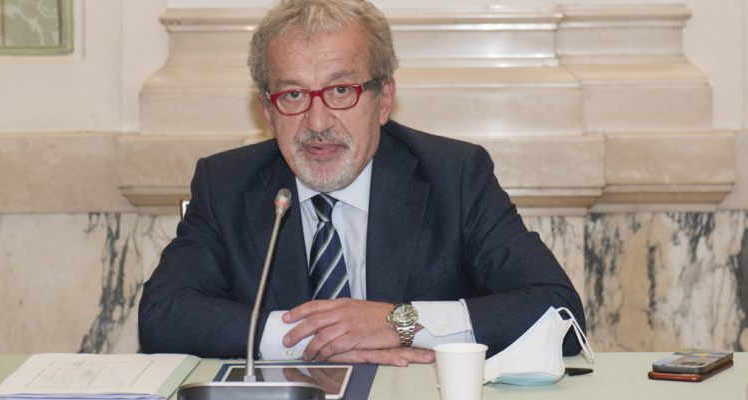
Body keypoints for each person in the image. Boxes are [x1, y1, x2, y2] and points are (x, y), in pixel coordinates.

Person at [138, 0, 586, 366]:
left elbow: (559, 312)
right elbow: (163, 314)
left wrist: (400, 323)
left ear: (384, 99)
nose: (317, 122)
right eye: (293, 95)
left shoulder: (454, 176)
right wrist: (313, 339)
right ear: (268, 112)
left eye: (341, 91)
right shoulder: (225, 184)